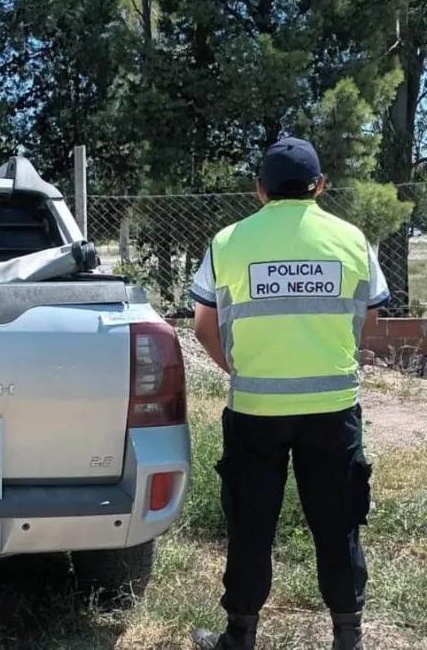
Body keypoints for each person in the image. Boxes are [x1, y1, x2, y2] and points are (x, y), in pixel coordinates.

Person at [188, 138, 388, 650]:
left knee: (251, 527)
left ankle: (240, 636)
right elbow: (368, 318)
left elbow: (204, 325)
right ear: (319, 186)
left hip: (255, 410)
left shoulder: (229, 241)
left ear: (260, 190)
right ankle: (348, 637)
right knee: (338, 527)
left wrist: (238, 368)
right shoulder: (352, 239)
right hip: (333, 409)